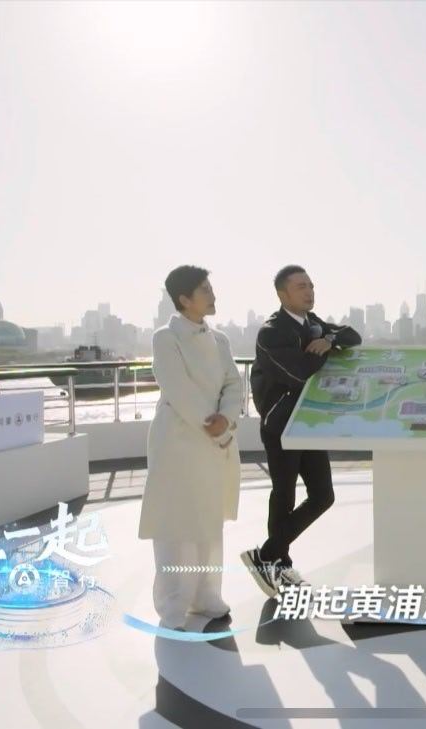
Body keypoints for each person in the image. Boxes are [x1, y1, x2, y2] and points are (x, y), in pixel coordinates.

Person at [241, 265, 361, 597]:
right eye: (300, 287)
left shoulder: (313, 324)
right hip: (281, 425)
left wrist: (328, 339)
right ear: (282, 294)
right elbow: (298, 373)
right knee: (284, 495)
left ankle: (267, 555)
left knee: (323, 496)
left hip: (308, 422)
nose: (309, 291)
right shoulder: (271, 333)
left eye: (310, 285)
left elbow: (353, 336)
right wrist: (324, 348)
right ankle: (280, 564)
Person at [138, 265, 242, 630]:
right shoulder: (166, 338)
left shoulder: (221, 340)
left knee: (208, 519)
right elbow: (177, 387)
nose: (213, 295)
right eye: (205, 289)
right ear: (184, 299)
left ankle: (206, 596)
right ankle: (173, 606)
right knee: (176, 522)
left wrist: (226, 418)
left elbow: (234, 384)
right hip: (178, 441)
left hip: (214, 440)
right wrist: (212, 423)